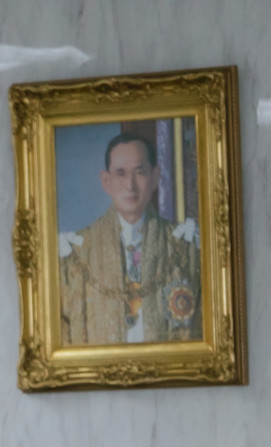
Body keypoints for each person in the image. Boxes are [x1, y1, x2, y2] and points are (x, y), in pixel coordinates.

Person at [58, 131, 202, 345]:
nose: (130, 185)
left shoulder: (187, 248)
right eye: (120, 173)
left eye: (139, 172)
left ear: (155, 177)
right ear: (106, 181)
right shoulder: (75, 254)